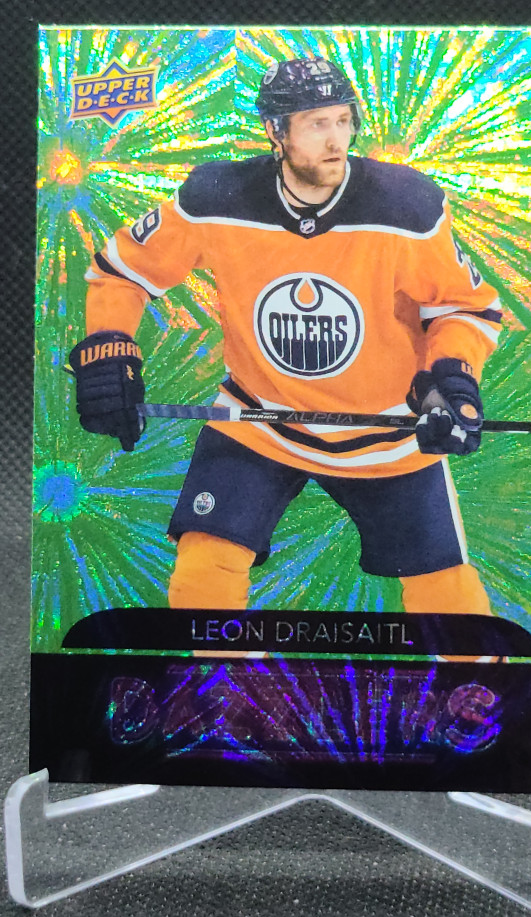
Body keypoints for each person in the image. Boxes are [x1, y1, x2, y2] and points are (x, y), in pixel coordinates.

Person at [70, 57, 502, 632]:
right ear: (276, 131)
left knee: (446, 593)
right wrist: (108, 349)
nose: (337, 139)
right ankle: (218, 680)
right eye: (317, 123)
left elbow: (464, 306)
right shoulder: (214, 197)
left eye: (344, 120)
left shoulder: (406, 207)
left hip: (387, 433)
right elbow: (122, 273)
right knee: (202, 574)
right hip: (258, 419)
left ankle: (480, 681)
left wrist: (451, 378)